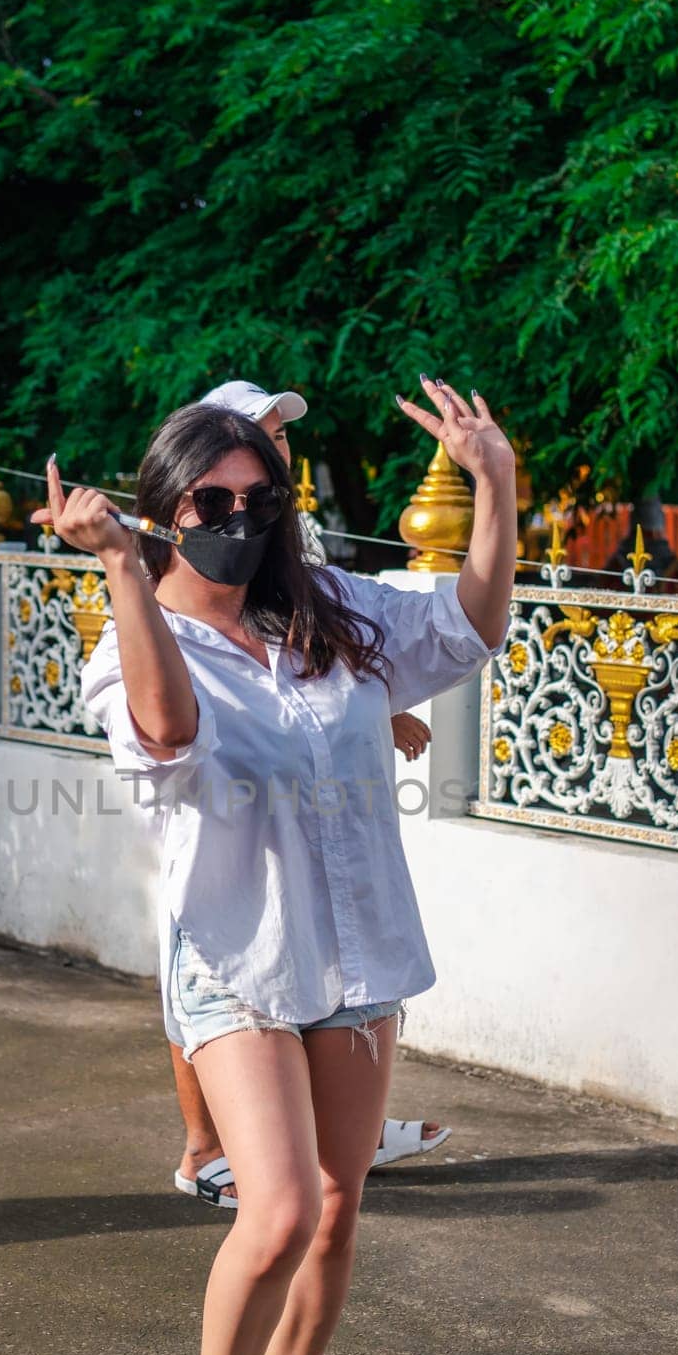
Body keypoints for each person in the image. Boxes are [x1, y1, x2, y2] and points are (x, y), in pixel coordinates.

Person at [41, 376, 515, 1355]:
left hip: (356, 955)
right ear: (166, 507)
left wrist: (495, 484)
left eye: (262, 495)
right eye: (212, 498)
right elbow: (170, 733)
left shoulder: (333, 609)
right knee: (283, 1203)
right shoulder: (139, 637)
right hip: (239, 961)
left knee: (341, 1211)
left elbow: (467, 628)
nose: (239, 516)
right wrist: (116, 571)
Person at [171, 378, 451, 1213]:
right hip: (213, 794)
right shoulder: (201, 542)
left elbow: (321, 656)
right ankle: (205, 1147)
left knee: (327, 961)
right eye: (254, 433)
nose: (274, 447)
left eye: (279, 438)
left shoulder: (293, 536)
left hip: (310, 794)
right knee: (207, 973)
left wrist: (383, 706)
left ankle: (335, 1127)